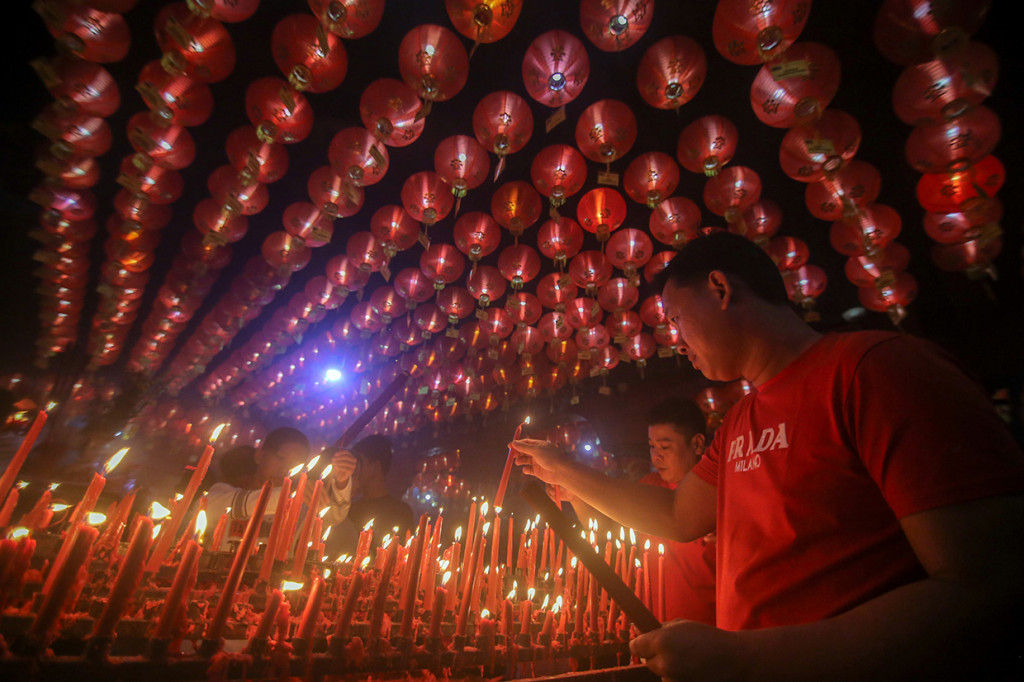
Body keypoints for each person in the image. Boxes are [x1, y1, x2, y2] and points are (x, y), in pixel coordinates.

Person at [512, 231, 1024, 680]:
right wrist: (564, 471)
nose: (676, 340)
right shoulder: (739, 420)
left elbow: (984, 587)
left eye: (677, 317)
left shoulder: (875, 370)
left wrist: (746, 660)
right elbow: (674, 514)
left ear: (720, 288)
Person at [206, 427, 356, 549]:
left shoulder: (298, 505)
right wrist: (288, 496)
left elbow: (333, 516)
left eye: (296, 464)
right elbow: (226, 505)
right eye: (281, 457)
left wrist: (341, 482)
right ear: (259, 456)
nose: (286, 468)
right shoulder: (223, 493)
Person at [329, 434, 413, 553]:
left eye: (358, 463)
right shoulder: (349, 507)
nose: (353, 468)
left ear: (376, 466)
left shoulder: (400, 511)